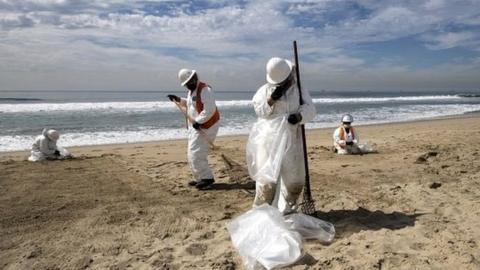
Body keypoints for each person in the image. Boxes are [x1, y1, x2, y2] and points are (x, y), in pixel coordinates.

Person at [248, 57, 316, 214]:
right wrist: (271, 99)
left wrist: (299, 116)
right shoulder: (264, 90)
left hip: (292, 138)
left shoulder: (299, 90)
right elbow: (259, 110)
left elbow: (310, 109)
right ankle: (262, 213)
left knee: (295, 180)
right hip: (269, 139)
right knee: (266, 181)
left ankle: (287, 210)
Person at [167, 69, 220, 190]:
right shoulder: (191, 91)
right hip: (195, 126)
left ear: (194, 78)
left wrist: (199, 121)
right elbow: (190, 104)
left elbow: (210, 109)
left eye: (189, 82)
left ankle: (207, 178)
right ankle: (199, 178)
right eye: (186, 84)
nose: (188, 85)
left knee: (196, 152)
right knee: (191, 153)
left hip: (207, 125)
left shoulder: (205, 90)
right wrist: (178, 100)